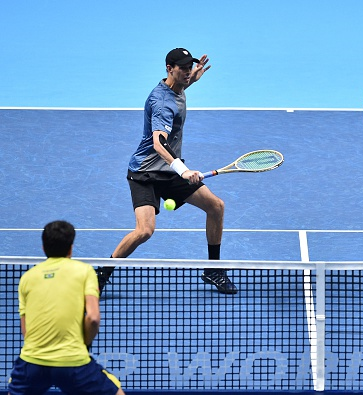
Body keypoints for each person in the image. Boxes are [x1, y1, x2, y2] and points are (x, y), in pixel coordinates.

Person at [95, 48, 236, 295]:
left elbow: (181, 87)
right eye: (183, 68)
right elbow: (159, 143)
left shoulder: (178, 85)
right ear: (169, 69)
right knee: (145, 231)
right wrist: (182, 169)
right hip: (145, 173)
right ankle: (102, 274)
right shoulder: (161, 104)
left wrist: (193, 78)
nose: (188, 72)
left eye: (189, 67)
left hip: (168, 170)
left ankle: (214, 269)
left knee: (216, 206)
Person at [8, 220, 125, 395]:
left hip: (32, 363)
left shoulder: (27, 278)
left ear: (43, 247)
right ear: (71, 248)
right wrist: (82, 344)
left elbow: (26, 330)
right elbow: (93, 318)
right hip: (73, 363)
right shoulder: (84, 272)